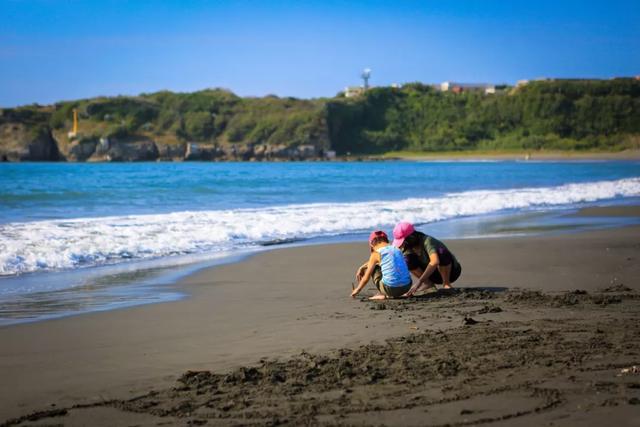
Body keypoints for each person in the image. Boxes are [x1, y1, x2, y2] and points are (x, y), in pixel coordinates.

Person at [392, 222, 462, 296]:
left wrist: (419, 282)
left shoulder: (427, 241)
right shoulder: (407, 247)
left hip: (452, 272)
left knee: (442, 252)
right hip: (431, 276)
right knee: (407, 259)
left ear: (411, 237)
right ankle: (428, 283)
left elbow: (435, 261)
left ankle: (446, 283)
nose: (403, 244)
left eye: (403, 241)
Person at [351, 230, 413, 300]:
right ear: (386, 240)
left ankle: (384, 295)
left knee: (374, 268)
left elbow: (366, 278)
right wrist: (362, 267)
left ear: (371, 244)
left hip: (390, 289)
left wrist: (357, 290)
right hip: (407, 286)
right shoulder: (396, 249)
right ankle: (397, 292)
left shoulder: (376, 253)